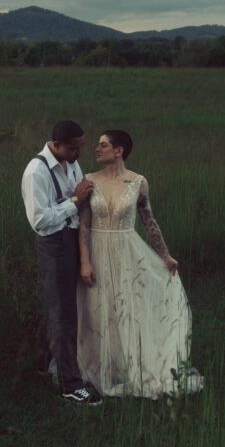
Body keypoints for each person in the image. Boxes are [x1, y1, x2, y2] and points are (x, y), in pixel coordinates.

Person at [76, 130, 204, 398]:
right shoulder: (88, 180)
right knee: (99, 308)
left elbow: (149, 222)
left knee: (127, 305)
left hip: (127, 250)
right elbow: (84, 224)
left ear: (119, 150)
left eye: (103, 145)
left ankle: (131, 365)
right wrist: (85, 262)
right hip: (97, 251)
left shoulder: (138, 183)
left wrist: (166, 256)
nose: (97, 150)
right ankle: (100, 367)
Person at [21, 120, 102, 405]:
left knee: (64, 305)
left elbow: (78, 200)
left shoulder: (71, 163)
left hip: (71, 239)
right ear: (56, 144)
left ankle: (44, 363)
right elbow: (40, 221)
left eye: (80, 147)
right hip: (53, 245)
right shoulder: (36, 172)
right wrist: (74, 200)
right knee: (63, 313)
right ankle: (70, 385)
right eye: (73, 148)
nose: (78, 153)